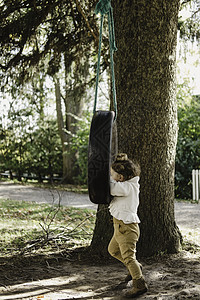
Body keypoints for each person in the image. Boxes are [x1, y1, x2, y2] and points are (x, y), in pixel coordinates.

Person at [108, 153, 148, 298]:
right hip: (120, 227)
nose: (111, 177)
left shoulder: (127, 188)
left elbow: (112, 188)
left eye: (113, 175)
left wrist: (102, 179)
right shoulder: (126, 185)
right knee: (113, 250)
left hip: (127, 228)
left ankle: (139, 284)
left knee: (128, 256)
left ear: (121, 178)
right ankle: (135, 268)